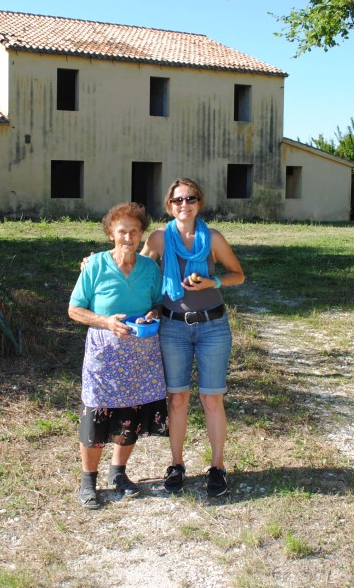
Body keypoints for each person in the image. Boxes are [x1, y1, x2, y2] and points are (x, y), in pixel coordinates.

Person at [140, 178, 244, 497]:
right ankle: (176, 465)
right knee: (178, 398)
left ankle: (217, 466)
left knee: (212, 398)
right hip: (173, 327)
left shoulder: (212, 237)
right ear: (168, 206)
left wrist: (212, 282)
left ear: (200, 202)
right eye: (177, 200)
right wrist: (96, 264)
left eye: (190, 198)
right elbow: (136, 271)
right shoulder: (158, 238)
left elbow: (237, 274)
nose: (183, 205)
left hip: (213, 326)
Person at [68, 202, 168, 509]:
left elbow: (160, 304)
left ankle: (118, 473)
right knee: (97, 416)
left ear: (141, 235)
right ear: (111, 233)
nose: (128, 237)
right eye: (122, 231)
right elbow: (74, 309)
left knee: (131, 415)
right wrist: (106, 321)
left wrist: (153, 313)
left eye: (134, 231)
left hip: (140, 355)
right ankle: (88, 481)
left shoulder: (150, 268)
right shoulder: (96, 265)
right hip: (104, 355)